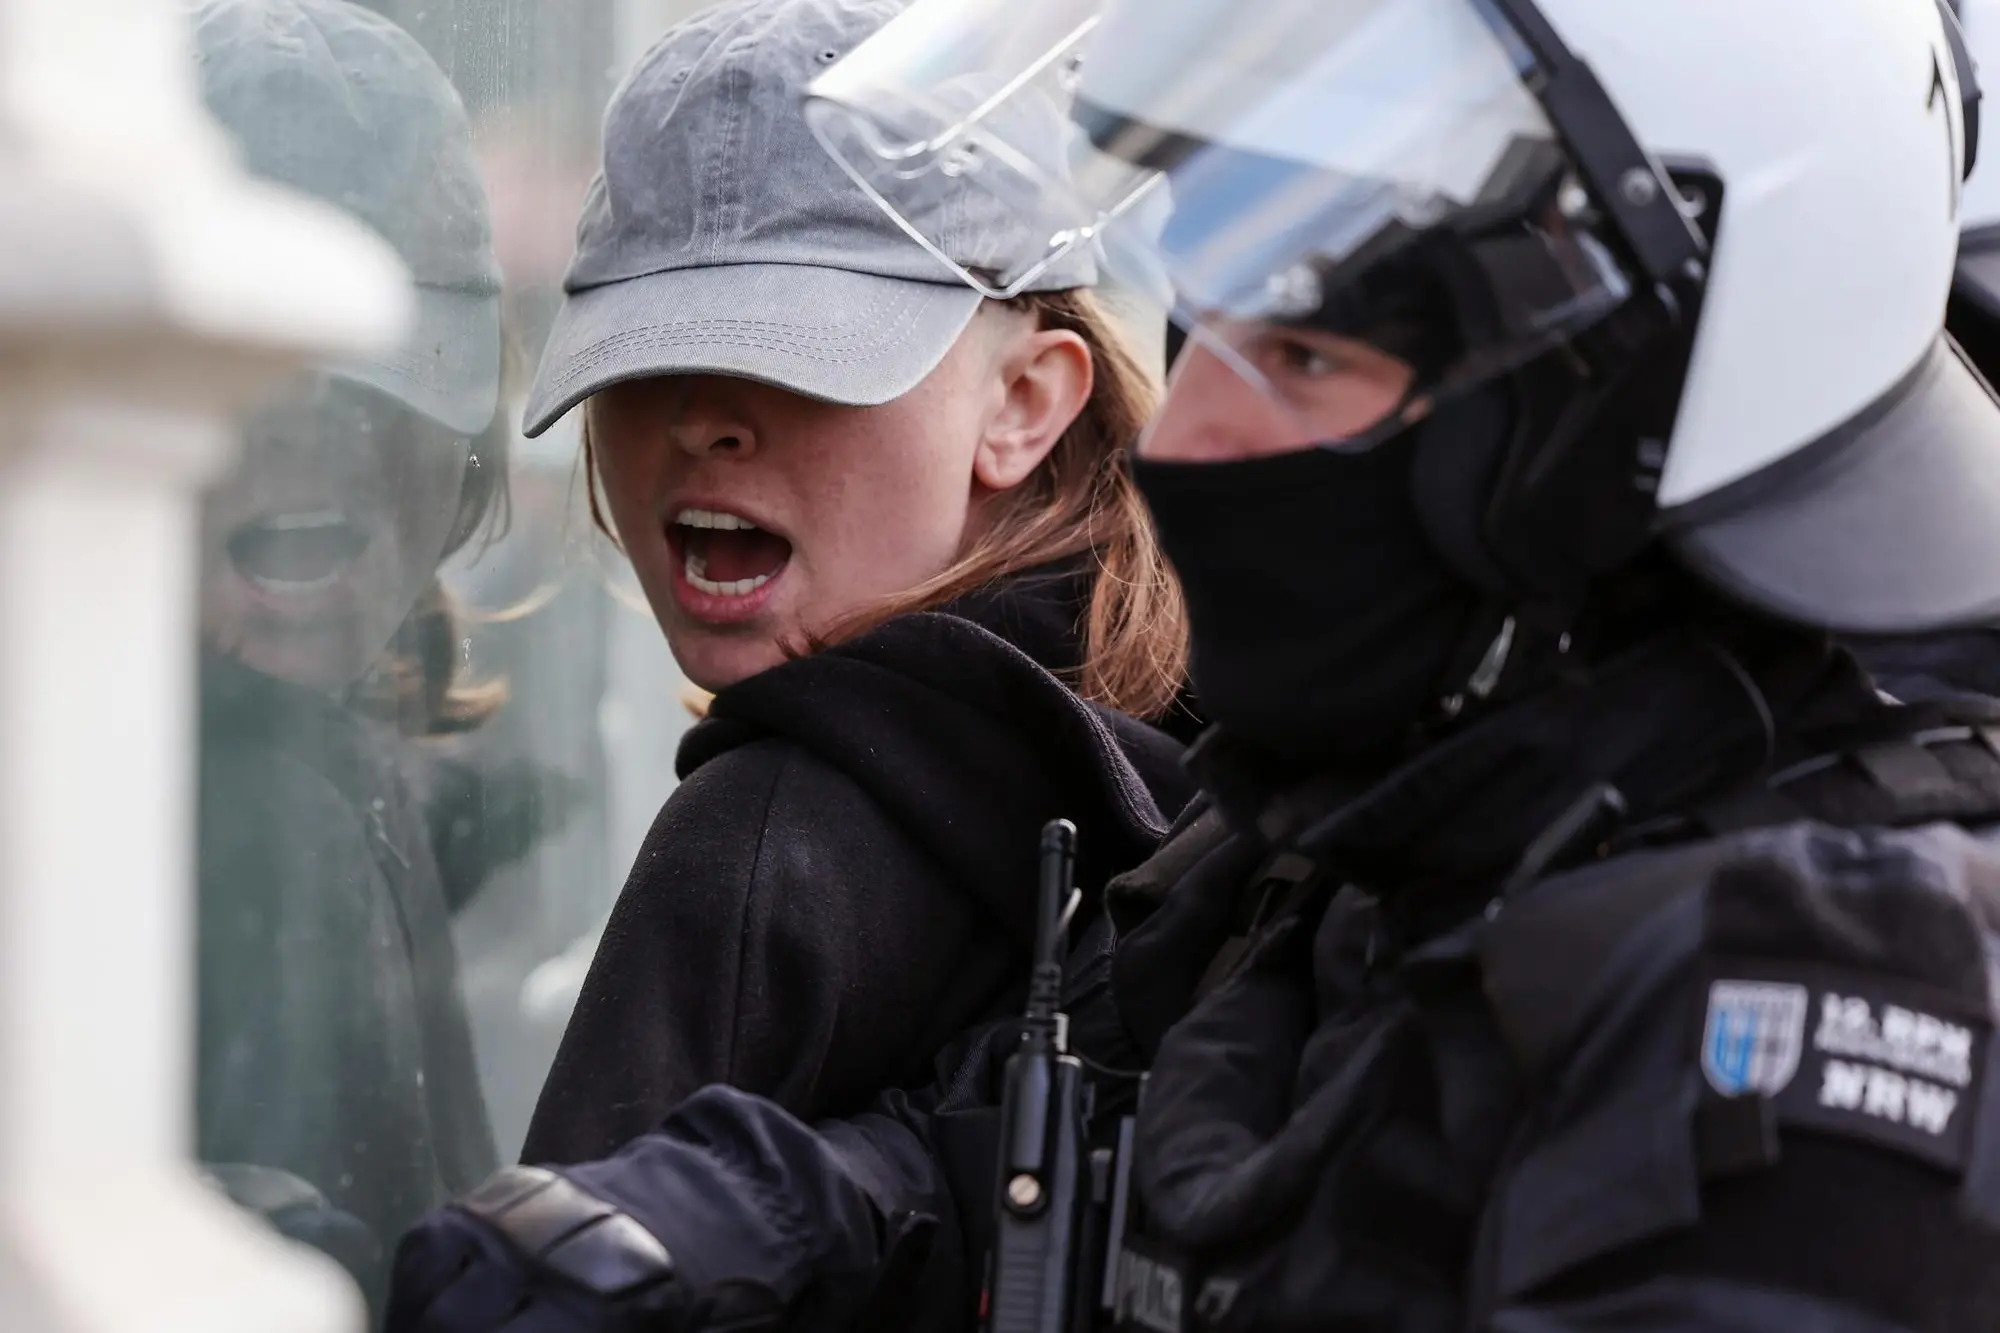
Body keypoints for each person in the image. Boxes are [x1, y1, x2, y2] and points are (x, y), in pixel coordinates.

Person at [389, 0, 2000, 1329]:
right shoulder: (1410, 810)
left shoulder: (1807, 1031)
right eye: (1213, 324)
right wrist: (722, 1217)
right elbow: (1046, 1142)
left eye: (1302, 352)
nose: (1195, 427)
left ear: (1595, 429)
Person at [502, 0, 1196, 1176]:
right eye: (646, 353)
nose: (703, 418)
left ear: (1023, 402)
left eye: (797, 352)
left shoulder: (760, 845)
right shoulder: (1237, 750)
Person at [189, 0, 516, 1308]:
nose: (314, 443)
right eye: (247, 392)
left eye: (381, 394)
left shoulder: (347, 781)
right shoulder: (225, 818)